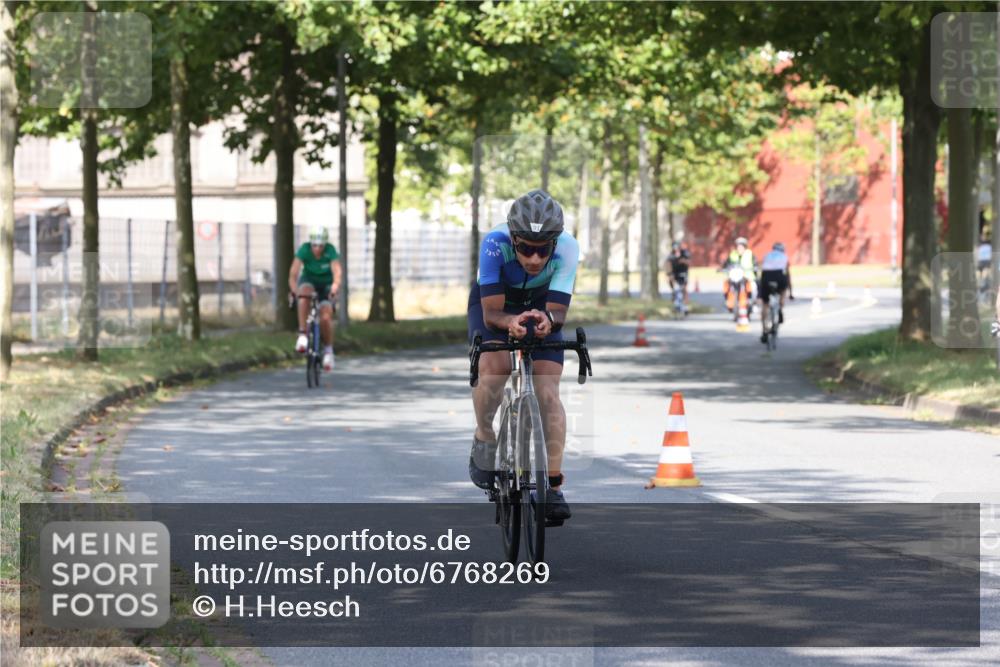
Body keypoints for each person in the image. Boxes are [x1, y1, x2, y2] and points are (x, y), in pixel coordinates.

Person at [468, 190, 579, 523]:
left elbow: (558, 311)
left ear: (555, 244)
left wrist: (548, 321)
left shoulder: (569, 248)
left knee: (548, 393)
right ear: (513, 239)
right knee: (493, 372)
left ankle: (554, 487)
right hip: (495, 306)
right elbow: (491, 315)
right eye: (525, 248)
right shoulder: (493, 244)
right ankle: (485, 435)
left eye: (542, 249)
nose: (533, 258)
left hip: (543, 303)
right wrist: (510, 322)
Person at [289, 226, 342, 371]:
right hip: (309, 281)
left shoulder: (330, 251)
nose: (317, 249)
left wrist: (335, 286)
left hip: (326, 285)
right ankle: (302, 334)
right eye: (314, 245)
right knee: (304, 294)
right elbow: (293, 274)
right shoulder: (304, 250)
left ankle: (329, 351)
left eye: (320, 245)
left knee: (325, 316)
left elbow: (337, 272)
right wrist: (294, 291)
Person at [758, 241, 794, 343]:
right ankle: (780, 309)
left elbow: (761, 268)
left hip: (766, 276)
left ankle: (764, 331)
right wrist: (790, 293)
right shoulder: (784, 256)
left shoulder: (767, 255)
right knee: (782, 289)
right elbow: (788, 276)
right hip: (779, 276)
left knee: (765, 304)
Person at [721, 236, 757, 312]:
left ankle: (752, 302)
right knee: (726, 284)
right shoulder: (733, 254)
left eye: (741, 246)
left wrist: (755, 267)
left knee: (753, 287)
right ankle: (728, 301)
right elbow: (726, 263)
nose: (739, 248)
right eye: (738, 246)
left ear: (745, 247)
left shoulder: (749, 254)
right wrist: (723, 268)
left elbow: (755, 264)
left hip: (748, 276)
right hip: (735, 276)